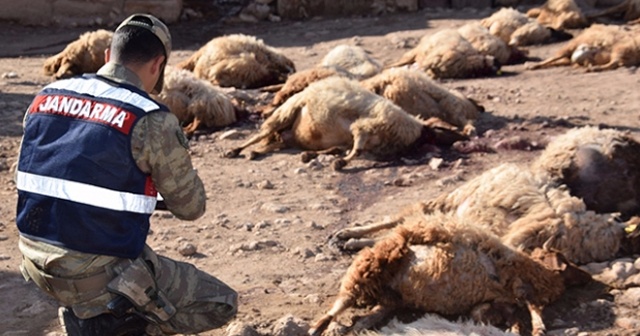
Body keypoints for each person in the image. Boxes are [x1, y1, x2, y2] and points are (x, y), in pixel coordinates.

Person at [15, 13, 238, 336]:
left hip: (34, 262)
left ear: (108, 56)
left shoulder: (46, 97)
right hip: (95, 274)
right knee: (220, 302)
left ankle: (95, 314)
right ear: (157, 65)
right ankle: (118, 324)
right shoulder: (150, 118)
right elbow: (191, 208)